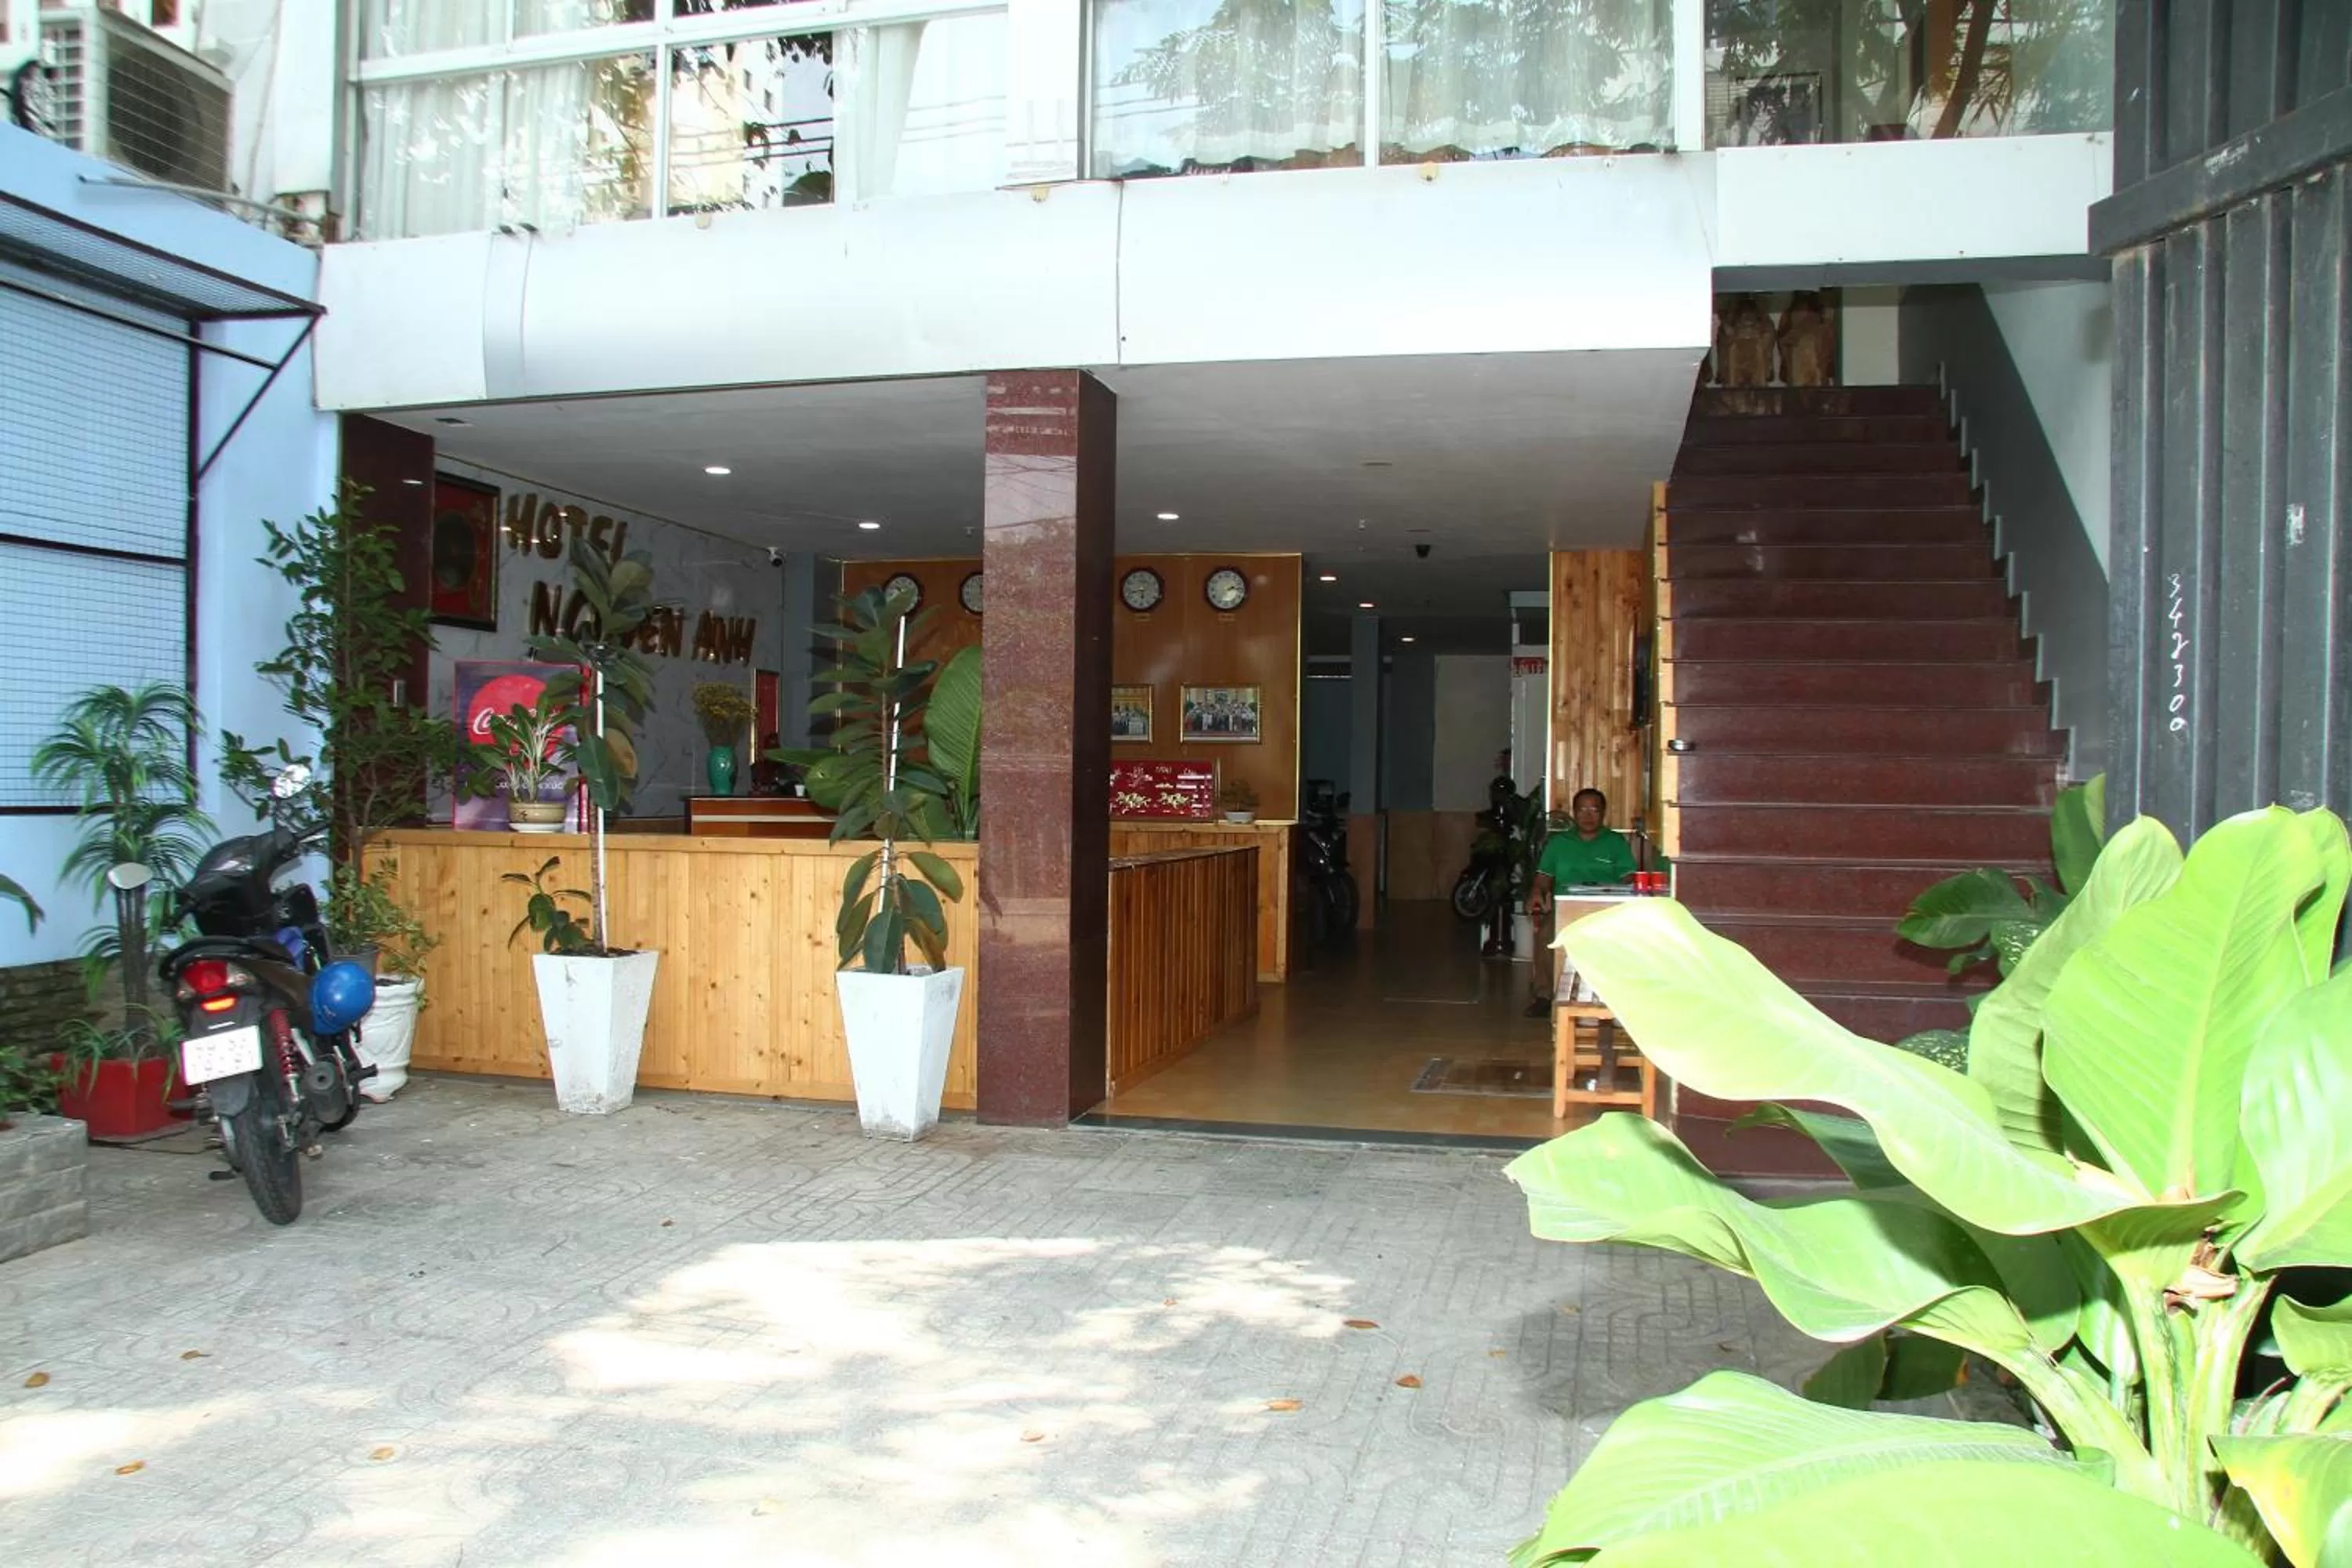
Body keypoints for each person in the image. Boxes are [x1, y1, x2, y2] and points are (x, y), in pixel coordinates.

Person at [1523, 788, 1636, 1014]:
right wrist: (1537, 892)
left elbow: (1628, 876)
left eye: (1594, 810)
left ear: (1603, 813)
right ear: (1574, 813)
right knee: (1545, 933)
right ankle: (1544, 996)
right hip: (1565, 908)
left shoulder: (1615, 842)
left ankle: (1613, 996)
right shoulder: (1558, 843)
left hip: (1604, 909)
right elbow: (1544, 877)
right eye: (1582, 810)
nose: (1588, 815)